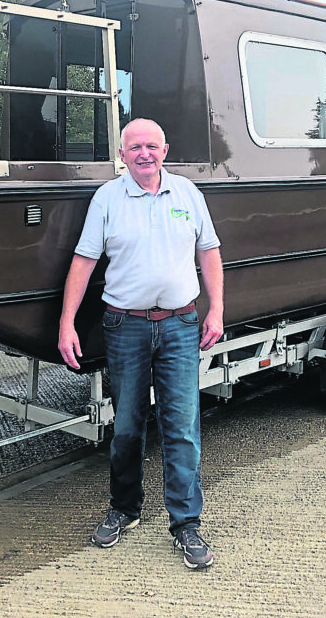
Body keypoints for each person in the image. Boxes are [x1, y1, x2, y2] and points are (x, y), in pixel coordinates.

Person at [58, 118, 224, 570]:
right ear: (123, 153)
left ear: (164, 150)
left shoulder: (188, 194)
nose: (145, 154)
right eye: (136, 147)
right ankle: (124, 509)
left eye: (152, 146)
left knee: (183, 427)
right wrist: (66, 323)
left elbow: (209, 251)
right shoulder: (107, 198)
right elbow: (84, 259)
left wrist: (216, 310)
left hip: (180, 325)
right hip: (125, 327)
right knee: (128, 425)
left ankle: (186, 524)